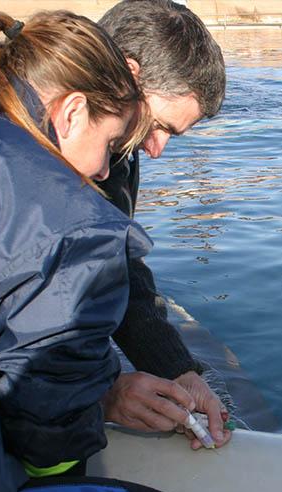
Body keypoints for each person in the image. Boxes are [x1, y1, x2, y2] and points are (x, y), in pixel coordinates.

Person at [0, 10, 192, 492]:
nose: (107, 169)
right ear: (73, 110)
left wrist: (172, 369)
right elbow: (47, 415)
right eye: (110, 145)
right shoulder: (64, 217)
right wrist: (99, 399)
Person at [95, 0, 233, 450]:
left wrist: (180, 371)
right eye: (160, 126)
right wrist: (100, 392)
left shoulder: (114, 154)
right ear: (130, 76)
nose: (156, 150)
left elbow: (117, 273)